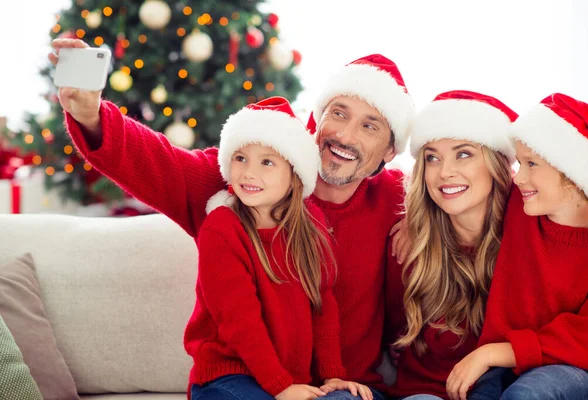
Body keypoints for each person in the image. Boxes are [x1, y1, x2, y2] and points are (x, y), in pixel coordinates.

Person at [49, 38, 417, 399]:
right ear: (316, 120)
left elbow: (464, 212)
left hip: (345, 389)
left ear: (389, 149)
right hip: (243, 380)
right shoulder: (247, 180)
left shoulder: (400, 201)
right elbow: (159, 164)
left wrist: (422, 227)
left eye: (370, 126)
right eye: (338, 113)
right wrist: (91, 115)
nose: (345, 135)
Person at [185, 97, 371, 400]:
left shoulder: (311, 226)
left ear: (294, 173)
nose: (248, 172)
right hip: (227, 377)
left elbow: (322, 307)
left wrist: (333, 376)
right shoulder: (221, 228)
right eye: (240, 158)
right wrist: (280, 387)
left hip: (288, 380)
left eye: (267, 162)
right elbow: (239, 322)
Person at [451, 93, 588, 400]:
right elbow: (460, 192)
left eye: (532, 163)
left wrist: (492, 353)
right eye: (519, 163)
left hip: (573, 367)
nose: (519, 178)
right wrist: (408, 224)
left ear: (572, 174)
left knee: (529, 394)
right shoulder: (521, 202)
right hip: (502, 362)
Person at [385, 91, 516, 400]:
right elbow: (394, 331)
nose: (444, 172)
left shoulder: (528, 232)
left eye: (464, 153)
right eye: (432, 157)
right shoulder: (409, 248)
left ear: (497, 163)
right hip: (427, 392)